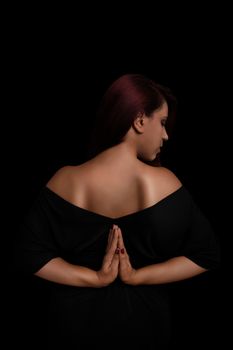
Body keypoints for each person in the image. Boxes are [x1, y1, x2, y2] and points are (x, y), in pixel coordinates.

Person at [17, 74, 220, 349]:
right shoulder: (165, 183)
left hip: (70, 331)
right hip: (145, 329)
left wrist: (94, 278)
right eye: (161, 122)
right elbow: (207, 254)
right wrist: (136, 276)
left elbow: (28, 255)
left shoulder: (65, 180)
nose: (166, 135)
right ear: (139, 120)